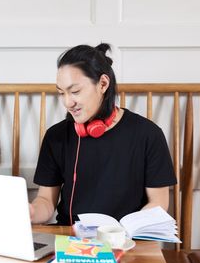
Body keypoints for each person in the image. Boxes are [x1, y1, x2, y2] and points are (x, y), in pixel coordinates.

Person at [30, 43, 177, 225]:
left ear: (103, 84)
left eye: (75, 91)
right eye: (61, 93)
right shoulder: (56, 136)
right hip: (73, 243)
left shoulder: (148, 134)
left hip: (126, 242)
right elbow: (46, 200)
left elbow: (159, 203)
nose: (67, 102)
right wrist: (30, 212)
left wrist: (122, 233)